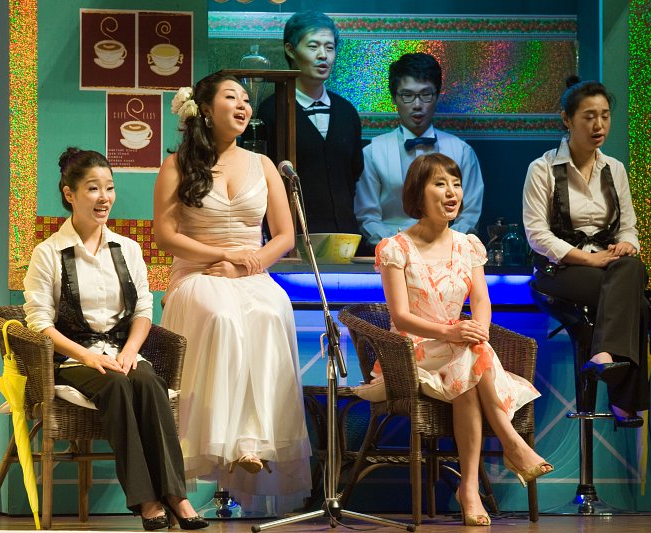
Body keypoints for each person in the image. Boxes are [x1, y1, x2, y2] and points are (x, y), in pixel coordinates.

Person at [22, 148, 208, 531]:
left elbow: (143, 310)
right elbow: (39, 323)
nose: (104, 197)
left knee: (149, 382)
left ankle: (176, 495)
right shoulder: (49, 253)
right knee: (117, 385)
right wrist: (87, 357)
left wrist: (130, 351)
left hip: (122, 352)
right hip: (72, 360)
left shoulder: (128, 249)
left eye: (109, 188)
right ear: (70, 194)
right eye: (93, 188)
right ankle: (147, 500)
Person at [154, 73, 312, 515]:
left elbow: (284, 236)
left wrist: (249, 263)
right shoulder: (177, 165)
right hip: (197, 271)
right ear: (205, 109)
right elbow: (165, 235)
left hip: (250, 271)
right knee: (221, 314)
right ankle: (216, 437)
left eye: (245, 98)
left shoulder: (264, 165)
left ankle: (253, 439)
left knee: (271, 309)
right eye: (231, 97)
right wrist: (221, 256)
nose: (243, 105)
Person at [375, 152, 553, 527]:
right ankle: (512, 445)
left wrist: (479, 329)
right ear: (418, 192)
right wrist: (452, 332)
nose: (451, 192)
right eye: (440, 184)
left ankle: (469, 488)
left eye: (456, 184)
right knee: (470, 358)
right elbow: (400, 317)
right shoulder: (396, 248)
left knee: (469, 372)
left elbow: (481, 302)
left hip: (460, 351)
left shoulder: (468, 245)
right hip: (412, 351)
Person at [522, 76, 650, 428]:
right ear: (567, 119)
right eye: (589, 116)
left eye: (605, 116)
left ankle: (604, 355)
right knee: (636, 302)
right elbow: (537, 235)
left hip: (608, 267)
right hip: (559, 270)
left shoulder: (615, 169)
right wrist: (588, 259)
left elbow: (628, 227)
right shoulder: (542, 169)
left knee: (632, 266)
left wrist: (627, 244)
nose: (599, 125)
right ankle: (624, 402)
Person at [355, 52, 484, 253]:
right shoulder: (373, 153)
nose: (417, 105)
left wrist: (443, 246)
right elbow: (368, 217)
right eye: (407, 95)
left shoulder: (461, 151)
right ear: (394, 98)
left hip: (448, 255)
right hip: (392, 253)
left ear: (437, 96)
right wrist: (399, 248)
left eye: (425, 95)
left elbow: (469, 214)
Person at [257, 10, 363, 237]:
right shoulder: (270, 111)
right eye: (313, 46)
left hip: (346, 236)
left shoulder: (347, 112)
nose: (323, 55)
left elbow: (354, 174)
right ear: (290, 50)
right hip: (290, 238)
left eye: (330, 48)